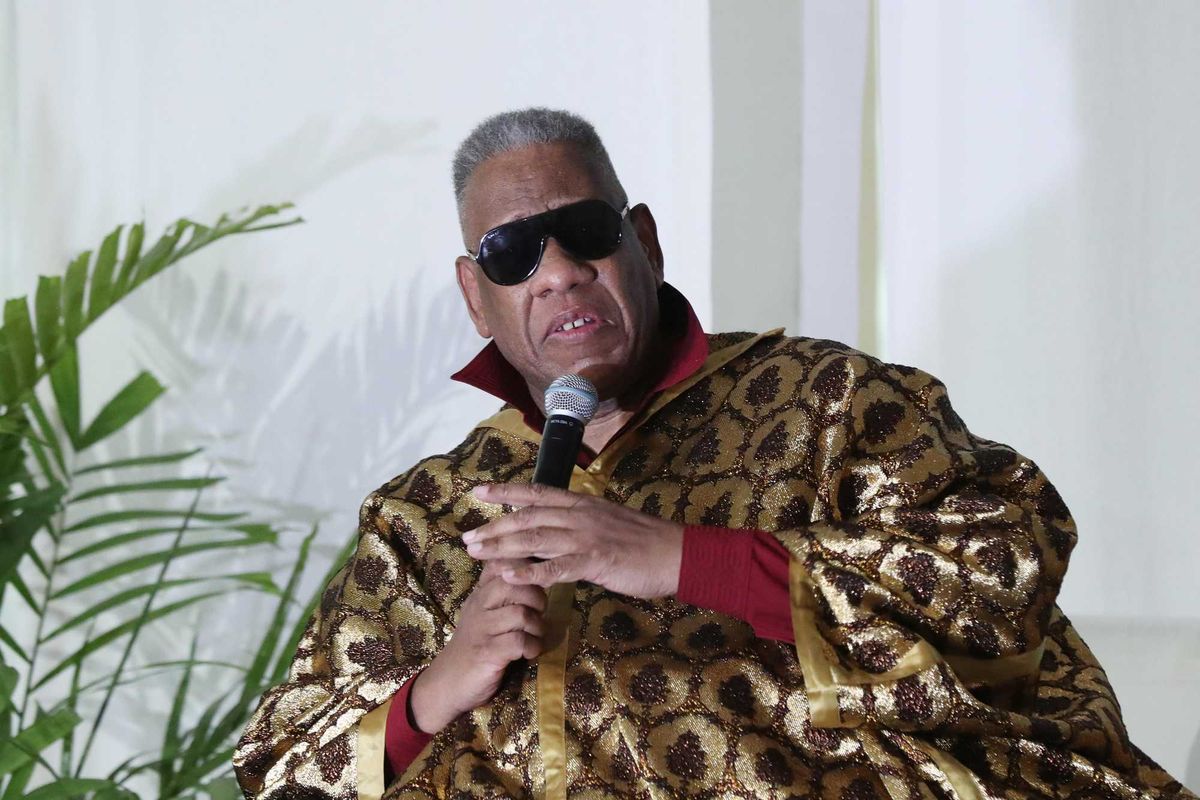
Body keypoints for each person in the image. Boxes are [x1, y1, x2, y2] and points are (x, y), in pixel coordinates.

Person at [233, 108, 1194, 800]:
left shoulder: (830, 401)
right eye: (512, 254)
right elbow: (280, 768)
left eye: (585, 233)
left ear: (643, 241)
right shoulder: (425, 517)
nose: (559, 270)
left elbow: (1000, 571)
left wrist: (674, 558)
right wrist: (445, 679)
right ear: (472, 293)